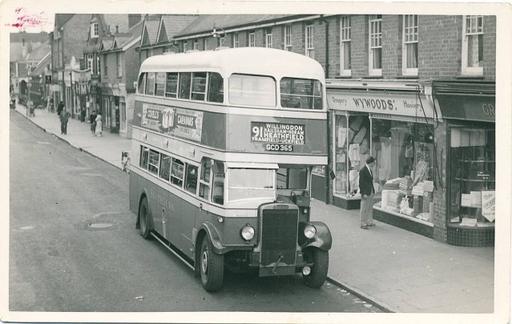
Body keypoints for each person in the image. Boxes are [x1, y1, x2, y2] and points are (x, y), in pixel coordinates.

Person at [359, 156, 376, 229]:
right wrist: (363, 193)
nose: (374, 163)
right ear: (371, 162)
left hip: (370, 191)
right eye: (374, 162)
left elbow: (370, 181)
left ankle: (369, 221)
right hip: (366, 192)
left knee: (369, 207)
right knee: (364, 208)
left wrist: (373, 190)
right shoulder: (363, 170)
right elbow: (361, 183)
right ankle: (363, 222)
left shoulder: (370, 170)